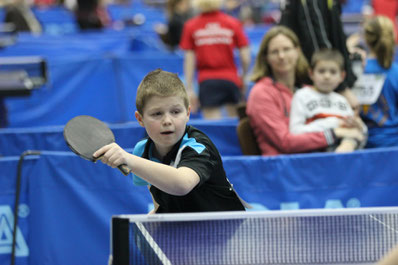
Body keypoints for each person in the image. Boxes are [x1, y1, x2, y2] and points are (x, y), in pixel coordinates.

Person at [93, 69, 245, 213]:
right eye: (157, 114)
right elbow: (160, 201)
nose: (167, 120)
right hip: (188, 233)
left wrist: (128, 159)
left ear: (188, 113)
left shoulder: (198, 146)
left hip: (229, 232)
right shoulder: (142, 151)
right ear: (140, 119)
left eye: (175, 112)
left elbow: (182, 184)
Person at [246, 26, 365, 156]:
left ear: (297, 51)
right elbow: (285, 142)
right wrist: (335, 132)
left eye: (286, 49)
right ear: (266, 57)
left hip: (318, 159)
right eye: (275, 51)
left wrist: (353, 128)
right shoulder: (261, 93)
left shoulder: (306, 89)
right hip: (285, 167)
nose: (281, 56)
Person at [279, 0, 360, 113]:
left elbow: (332, 30)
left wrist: (348, 50)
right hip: (322, 87)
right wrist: (342, 88)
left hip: (330, 83)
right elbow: (318, 46)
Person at [179, 0, 251, 119]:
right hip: (231, 79)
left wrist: (189, 88)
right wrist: (243, 76)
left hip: (207, 82)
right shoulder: (232, 22)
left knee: (213, 127)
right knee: (235, 126)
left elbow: (189, 60)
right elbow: (245, 56)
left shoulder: (191, 25)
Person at [289, 48, 367, 152]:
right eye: (321, 71)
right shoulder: (302, 95)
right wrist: (334, 126)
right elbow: (295, 132)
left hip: (343, 152)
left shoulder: (342, 100)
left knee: (353, 138)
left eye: (333, 72)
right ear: (311, 73)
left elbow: (360, 133)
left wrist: (359, 126)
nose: (327, 76)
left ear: (342, 76)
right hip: (315, 152)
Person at [354, 15, 398, 148]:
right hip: (393, 142)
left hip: (363, 142)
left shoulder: (356, 69)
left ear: (366, 39)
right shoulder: (395, 71)